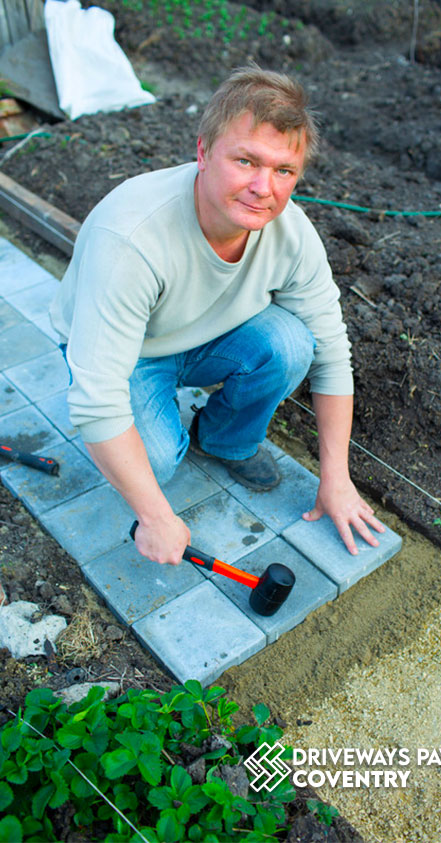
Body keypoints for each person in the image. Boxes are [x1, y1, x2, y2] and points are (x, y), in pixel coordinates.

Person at [50, 65, 384, 566]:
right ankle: (165, 429)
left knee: (294, 343)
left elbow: (333, 354)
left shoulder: (291, 235)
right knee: (156, 462)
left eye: (283, 171)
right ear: (203, 152)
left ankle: (224, 439)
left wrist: (336, 479)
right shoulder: (132, 240)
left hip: (205, 334)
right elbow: (98, 403)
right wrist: (157, 517)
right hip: (133, 353)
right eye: (246, 160)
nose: (263, 187)